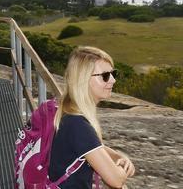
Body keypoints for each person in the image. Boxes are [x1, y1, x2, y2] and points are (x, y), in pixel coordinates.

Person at [48, 46, 135, 188]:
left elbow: (92, 146)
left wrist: (118, 157)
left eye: (114, 73)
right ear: (83, 80)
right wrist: (123, 169)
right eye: (105, 75)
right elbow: (116, 180)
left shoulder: (68, 107)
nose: (113, 80)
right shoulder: (77, 123)